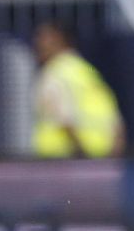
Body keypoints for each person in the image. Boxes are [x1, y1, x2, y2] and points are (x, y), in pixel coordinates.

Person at [32, 20, 124, 158]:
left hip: (62, 161)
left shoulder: (54, 73)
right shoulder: (86, 71)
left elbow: (63, 119)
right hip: (101, 160)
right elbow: (115, 122)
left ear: (60, 40)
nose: (38, 43)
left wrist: (82, 153)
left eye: (44, 38)